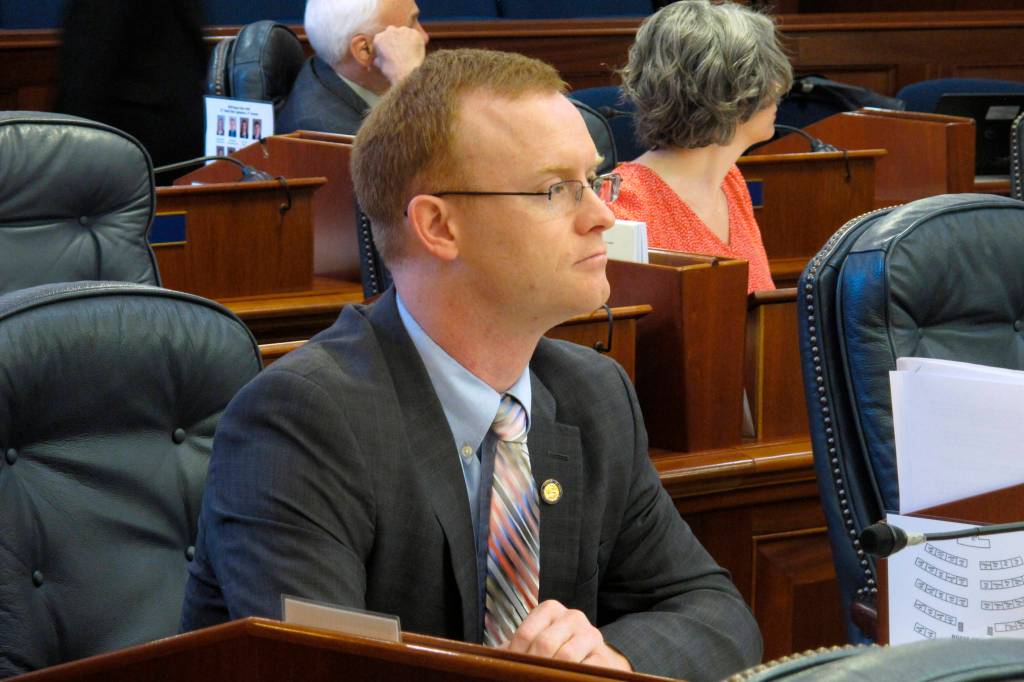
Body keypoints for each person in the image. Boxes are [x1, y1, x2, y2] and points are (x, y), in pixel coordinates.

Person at [181, 48, 762, 681]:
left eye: (595, 181)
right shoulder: (301, 422)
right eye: (555, 190)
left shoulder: (593, 392)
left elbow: (716, 614)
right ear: (438, 225)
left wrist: (610, 659)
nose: (603, 216)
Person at [611, 0, 793, 293]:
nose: (778, 88)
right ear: (727, 92)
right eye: (766, 76)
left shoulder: (730, 181)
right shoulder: (623, 206)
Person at [277, 0, 429, 135]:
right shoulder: (332, 136)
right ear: (365, 50)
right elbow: (436, 157)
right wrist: (408, 78)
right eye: (411, 25)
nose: (425, 36)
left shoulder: (326, 67)